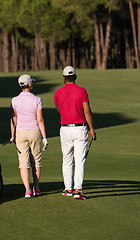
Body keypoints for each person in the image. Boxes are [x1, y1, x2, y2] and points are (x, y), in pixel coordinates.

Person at [54, 66, 97, 200]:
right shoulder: (82, 91)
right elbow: (87, 111)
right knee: (79, 160)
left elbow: (58, 109)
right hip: (80, 128)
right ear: (75, 77)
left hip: (65, 128)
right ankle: (78, 190)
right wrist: (92, 128)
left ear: (63, 77)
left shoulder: (58, 92)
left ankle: (68, 189)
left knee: (67, 160)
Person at [10, 74, 48, 199]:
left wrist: (12, 135)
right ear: (29, 84)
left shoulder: (14, 100)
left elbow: (13, 119)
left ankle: (27, 190)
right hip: (35, 131)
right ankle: (36, 188)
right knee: (36, 160)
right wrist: (44, 137)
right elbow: (40, 119)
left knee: (23, 162)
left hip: (20, 133)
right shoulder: (37, 99)